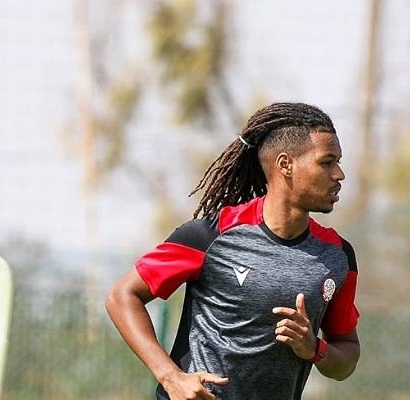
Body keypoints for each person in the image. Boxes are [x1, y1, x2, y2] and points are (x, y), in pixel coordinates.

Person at [105, 102, 361, 400]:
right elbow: (122, 296)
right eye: (327, 162)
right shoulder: (211, 235)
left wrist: (314, 348)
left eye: (338, 162)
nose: (339, 174)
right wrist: (170, 376)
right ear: (285, 165)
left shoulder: (337, 256)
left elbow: (346, 356)